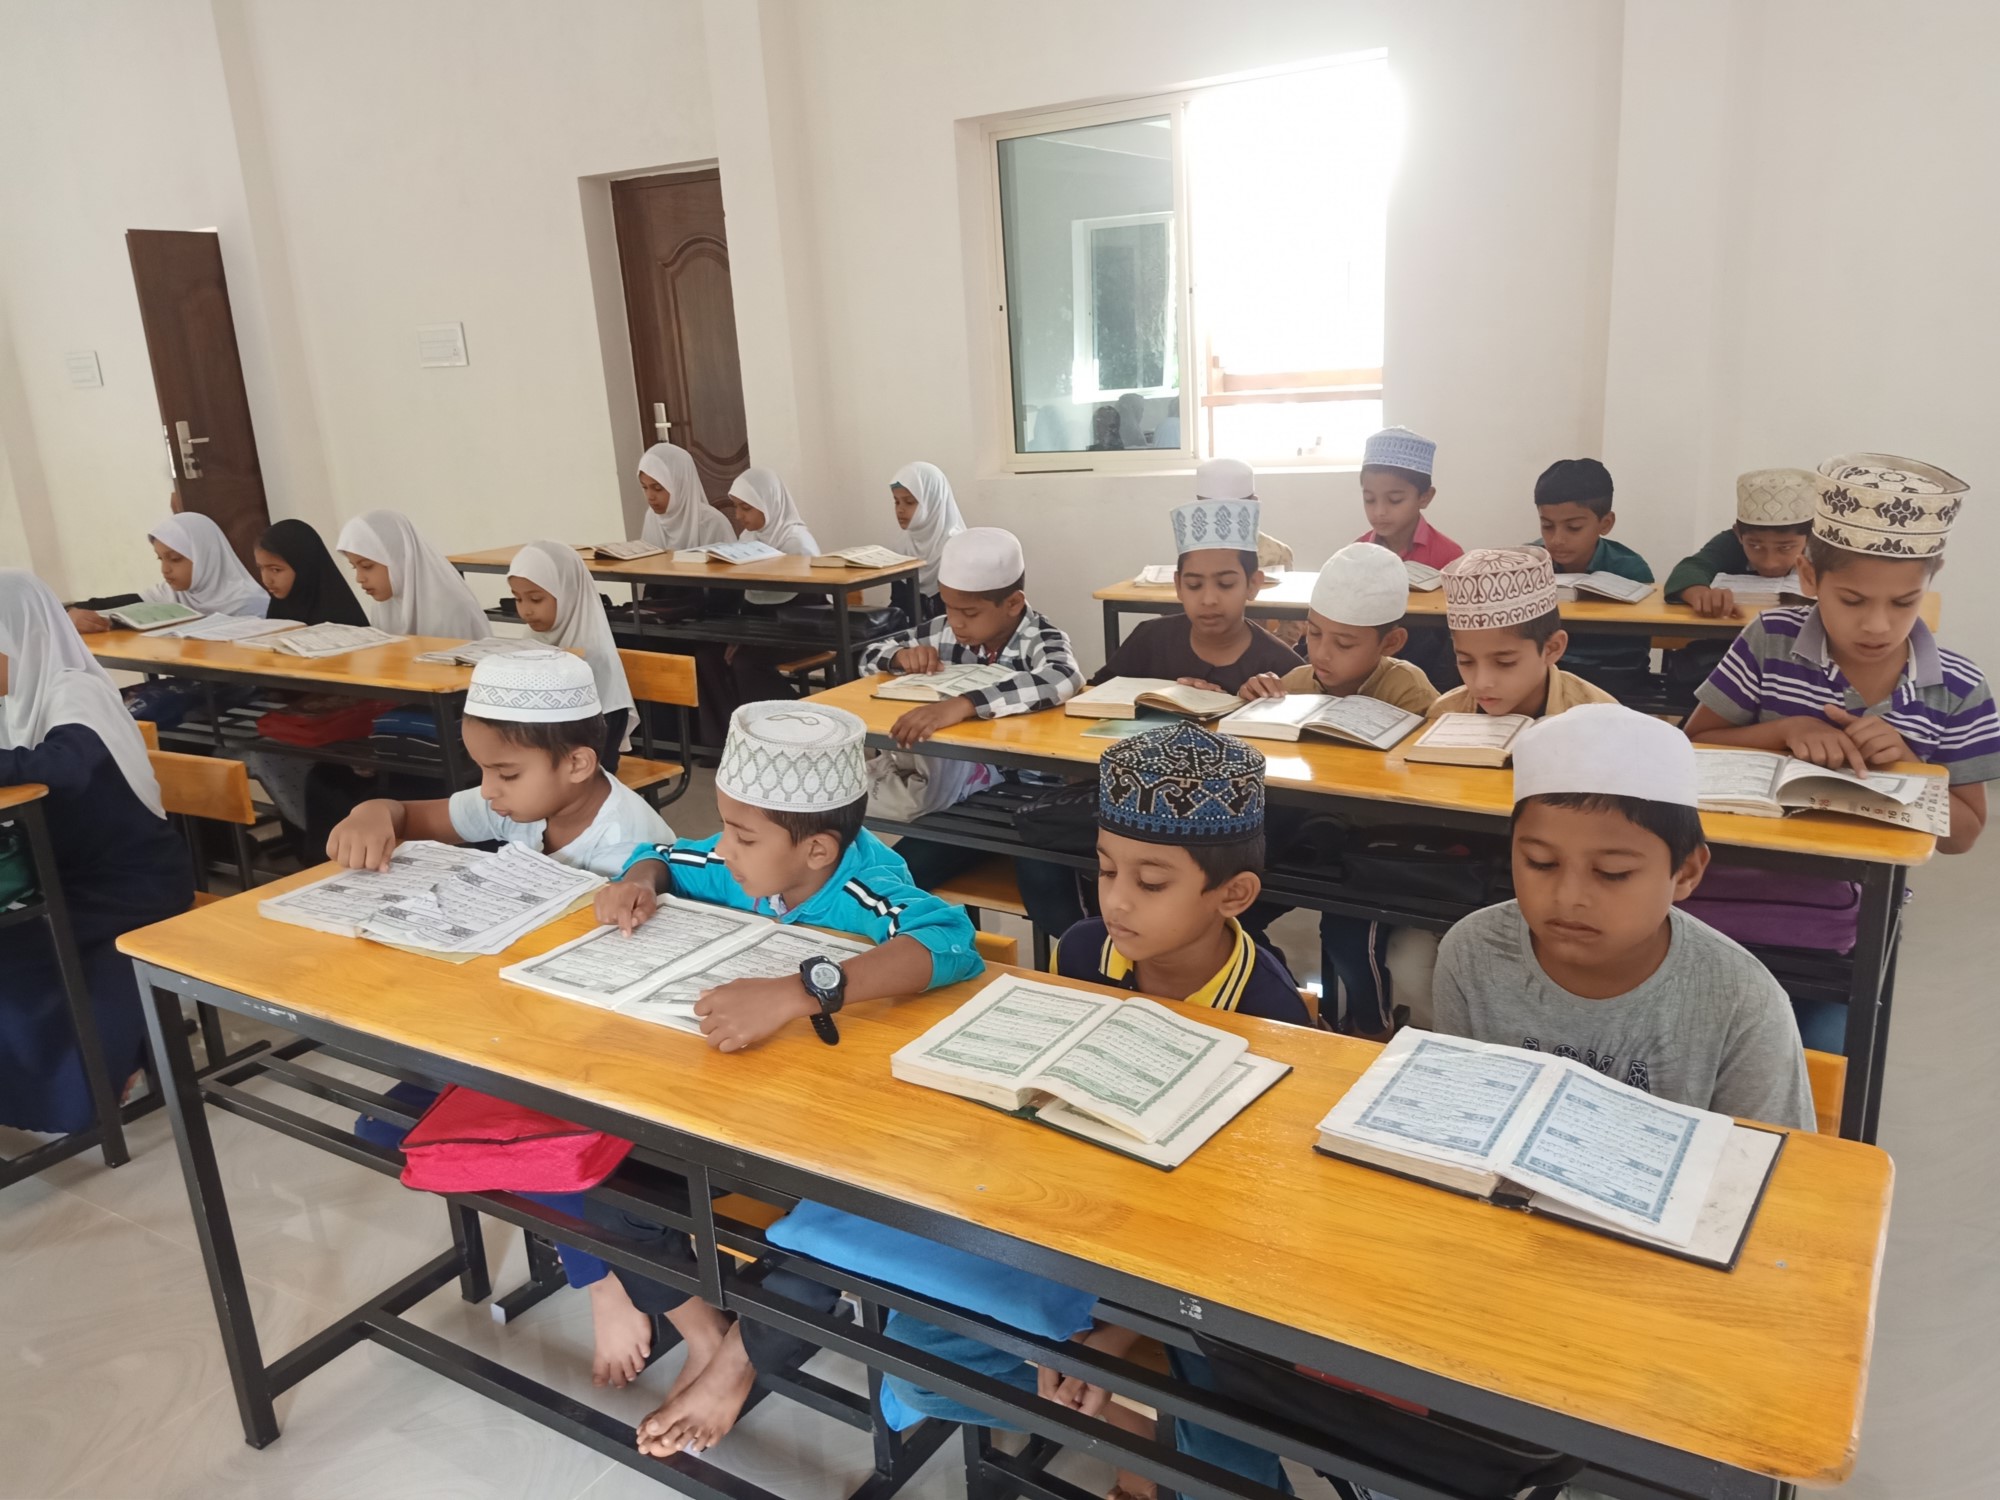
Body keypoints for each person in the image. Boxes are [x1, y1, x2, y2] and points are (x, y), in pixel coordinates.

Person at [581, 701, 983, 1458]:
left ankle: (742, 1358)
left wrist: (803, 991)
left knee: (831, 1230)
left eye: (741, 833)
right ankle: (701, 1323)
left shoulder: (867, 888)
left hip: (829, 1129)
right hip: (725, 1107)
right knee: (609, 1166)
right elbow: (678, 857)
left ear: (819, 849)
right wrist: (640, 875)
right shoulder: (742, 865)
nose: (723, 846)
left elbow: (952, 941)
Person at [1685, 454, 1997, 1047]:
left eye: (1903, 603)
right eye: (1852, 600)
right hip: (1723, 899)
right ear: (1809, 578)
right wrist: (1782, 730)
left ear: (1930, 580)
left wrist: (1906, 764)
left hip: (1845, 925)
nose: (1878, 625)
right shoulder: (1769, 641)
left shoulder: (1957, 686)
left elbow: (1964, 834)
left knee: (1824, 1067)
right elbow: (1692, 749)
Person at [1433, 702, 1816, 1131]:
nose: (1569, 897)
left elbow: (1768, 1167)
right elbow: (1456, 1115)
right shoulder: (1472, 954)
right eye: (1540, 862)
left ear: (1685, 872)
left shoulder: (1740, 1000)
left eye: (1613, 873)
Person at [0, 570, 194, 1133]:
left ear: (20, 637)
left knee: (14, 947)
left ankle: (82, 1089)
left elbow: (64, 767)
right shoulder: (14, 699)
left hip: (133, 881)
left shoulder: (74, 689)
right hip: (64, 874)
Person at [1237, 543, 1439, 1039]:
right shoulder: (1297, 681)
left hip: (1374, 850)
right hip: (1301, 840)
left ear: (1391, 641)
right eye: (1314, 632)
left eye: (1344, 644)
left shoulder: (1408, 690)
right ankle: (1284, 993)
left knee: (1350, 933)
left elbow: (1422, 784)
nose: (1321, 653)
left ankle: (1371, 1028)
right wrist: (1250, 709)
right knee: (1232, 913)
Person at [858, 528, 1087, 934]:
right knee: (899, 877)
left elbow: (1063, 677)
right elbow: (870, 654)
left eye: (970, 613)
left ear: (1013, 603)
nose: (957, 623)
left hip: (1039, 799)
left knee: (1049, 897)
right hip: (966, 797)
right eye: (949, 607)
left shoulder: (1041, 638)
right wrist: (899, 655)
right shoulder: (944, 630)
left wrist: (964, 705)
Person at [326, 649, 669, 880]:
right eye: (483, 769)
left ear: (577, 764)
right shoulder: (516, 802)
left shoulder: (626, 844)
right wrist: (371, 814)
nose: (488, 790)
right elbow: (408, 817)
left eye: (507, 773)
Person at [1053, 722, 1310, 1025]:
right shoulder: (1079, 952)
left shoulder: (1271, 1011)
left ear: (1233, 894)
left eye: (1151, 884)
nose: (1115, 902)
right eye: (1107, 871)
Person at [1093, 485, 1300, 694]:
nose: (1208, 599)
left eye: (1225, 584)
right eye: (1194, 585)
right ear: (1179, 586)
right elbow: (1096, 695)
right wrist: (1166, 697)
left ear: (1253, 584)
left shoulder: (1281, 666)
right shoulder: (1150, 639)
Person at [1660, 468, 1817, 701]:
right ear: (1738, 534)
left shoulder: (1825, 552)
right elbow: (1688, 570)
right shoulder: (1729, 543)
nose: (1770, 562)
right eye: (1755, 546)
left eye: (1785, 548)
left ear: (1811, 536)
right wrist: (1700, 594)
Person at [693, 467, 822, 745]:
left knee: (746, 663)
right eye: (738, 507)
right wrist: (738, 637)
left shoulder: (796, 541)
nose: (739, 516)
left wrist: (747, 640)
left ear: (769, 504)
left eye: (746, 508)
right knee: (708, 655)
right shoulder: (749, 540)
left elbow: (809, 600)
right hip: (763, 627)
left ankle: (794, 728)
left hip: (804, 628)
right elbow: (748, 598)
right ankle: (728, 740)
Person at [1426, 548, 1614, 720]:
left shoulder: (1601, 718)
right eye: (1466, 661)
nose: (1481, 682)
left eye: (1504, 663)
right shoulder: (1445, 714)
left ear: (1551, 649)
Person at [1525, 457, 1653, 694]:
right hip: (1547, 671)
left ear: (1605, 523)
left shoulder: (1631, 570)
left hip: (1612, 677)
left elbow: (1635, 650)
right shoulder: (1529, 562)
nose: (1557, 539)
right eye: (1547, 526)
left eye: (1573, 527)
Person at [505, 541, 637, 771]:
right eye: (517, 598)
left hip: (586, 770)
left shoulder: (593, 657)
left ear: (568, 594)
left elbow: (593, 754)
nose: (525, 610)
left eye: (536, 599)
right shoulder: (531, 641)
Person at [66, 511, 269, 633]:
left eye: (175, 559)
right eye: (160, 558)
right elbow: (108, 604)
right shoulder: (170, 594)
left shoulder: (248, 601)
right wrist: (70, 613)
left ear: (204, 555)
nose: (165, 569)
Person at [335, 509, 491, 639]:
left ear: (400, 558)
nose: (359, 578)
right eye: (354, 567)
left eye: (367, 566)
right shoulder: (384, 605)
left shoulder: (452, 608)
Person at [1353, 426, 1461, 568]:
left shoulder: (1449, 557)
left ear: (1425, 497)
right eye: (1369, 499)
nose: (1379, 512)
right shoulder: (1356, 554)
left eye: (1394, 500)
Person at [888, 460, 966, 619]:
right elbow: (898, 605)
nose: (900, 510)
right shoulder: (901, 546)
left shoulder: (956, 548)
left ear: (932, 501)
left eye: (909, 502)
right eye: (896, 501)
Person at [254, 519, 369, 626]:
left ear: (304, 567)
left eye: (276, 570)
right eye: (261, 568)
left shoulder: (340, 618)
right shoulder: (278, 610)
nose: (266, 580)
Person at [637, 442, 734, 553]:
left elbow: (731, 566)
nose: (650, 497)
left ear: (679, 485)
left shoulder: (713, 522)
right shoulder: (652, 517)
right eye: (644, 487)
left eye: (658, 488)